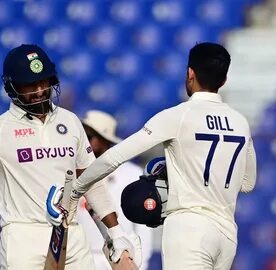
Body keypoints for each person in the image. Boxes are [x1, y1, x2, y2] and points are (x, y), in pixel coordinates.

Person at [0, 44, 137, 269]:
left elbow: (90, 181)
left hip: (71, 233)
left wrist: (116, 232)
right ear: (12, 87)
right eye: (30, 85)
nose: (40, 90)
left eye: (44, 81)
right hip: (24, 237)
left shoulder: (70, 122)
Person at [66, 42, 257, 270]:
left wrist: (78, 188)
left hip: (189, 229)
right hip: (226, 234)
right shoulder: (240, 122)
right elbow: (247, 183)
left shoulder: (178, 116)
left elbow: (113, 157)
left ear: (190, 74)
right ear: (224, 80)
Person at [74, 110, 153, 270]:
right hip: (81, 258)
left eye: (88, 137)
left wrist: (141, 263)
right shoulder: (70, 172)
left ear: (105, 141)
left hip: (120, 259)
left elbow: (144, 225)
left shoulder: (132, 174)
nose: (82, 143)